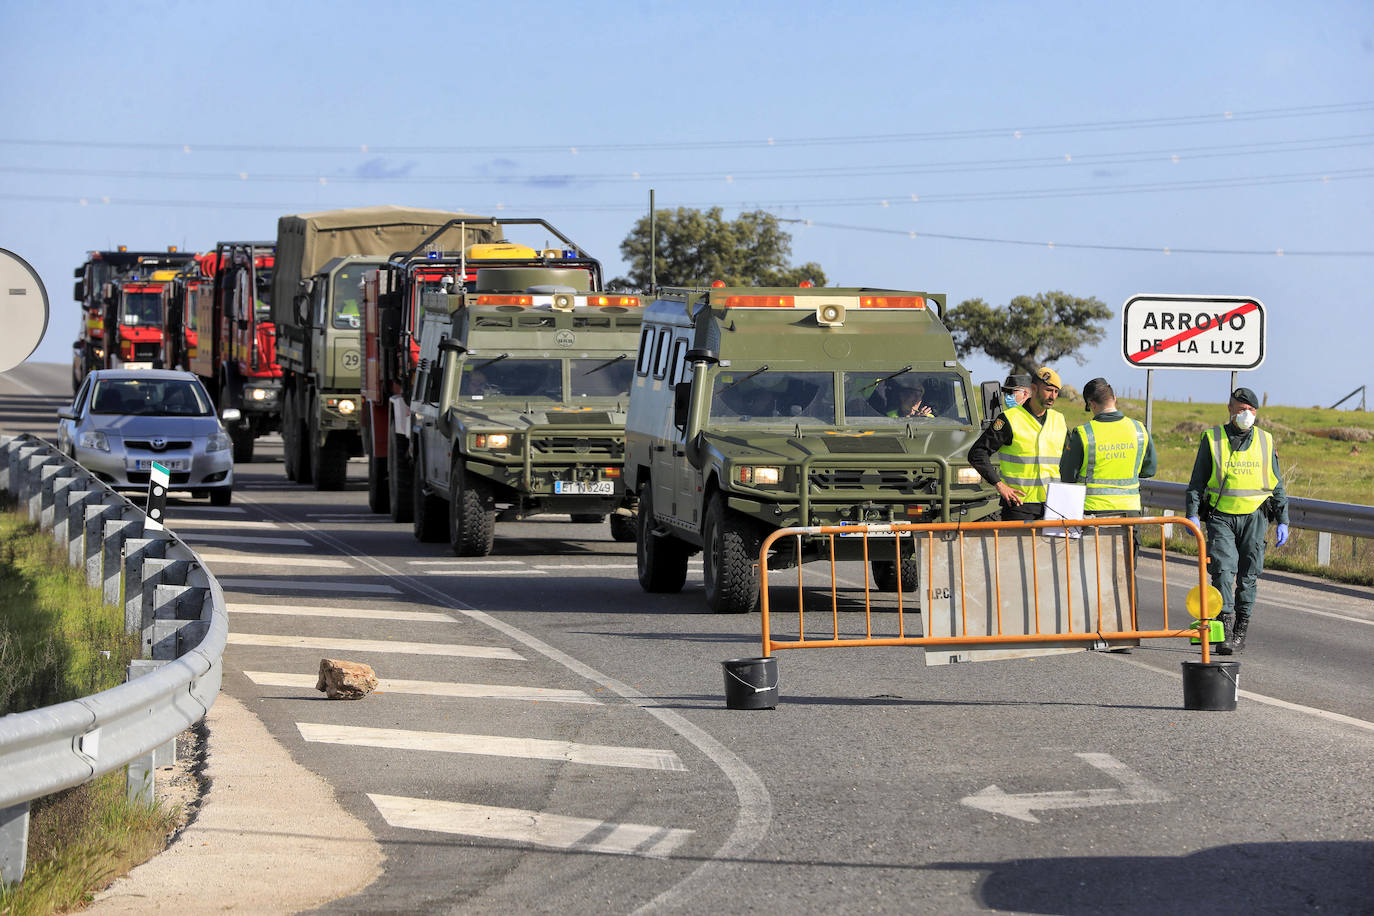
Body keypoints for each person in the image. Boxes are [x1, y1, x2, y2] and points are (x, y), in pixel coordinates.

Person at [1184, 387, 1289, 654]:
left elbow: (1276, 483)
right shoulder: (1213, 438)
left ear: (1256, 412)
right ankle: (1226, 627)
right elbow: (1197, 481)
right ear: (1230, 409)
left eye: (1250, 410)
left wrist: (1283, 519)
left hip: (1255, 516)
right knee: (1222, 570)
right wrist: (1193, 514)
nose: (1245, 414)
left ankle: (1241, 628)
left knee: (1249, 576)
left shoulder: (1266, 440)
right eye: (1241, 409)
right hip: (1221, 517)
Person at [1059, 377, 1156, 546]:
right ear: (1114, 399)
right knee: (1127, 570)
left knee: (1093, 569)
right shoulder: (1139, 430)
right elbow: (1149, 470)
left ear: (1091, 404)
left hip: (1093, 513)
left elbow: (1067, 476)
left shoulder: (1083, 433)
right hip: (1130, 512)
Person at [968, 367, 1066, 521]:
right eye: (1048, 390)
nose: (1052, 396)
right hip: (1019, 505)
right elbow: (977, 453)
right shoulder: (1009, 419)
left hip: (1053, 505)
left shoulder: (1059, 420)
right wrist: (1000, 486)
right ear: (1033, 388)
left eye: (1056, 392)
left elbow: (1066, 461)